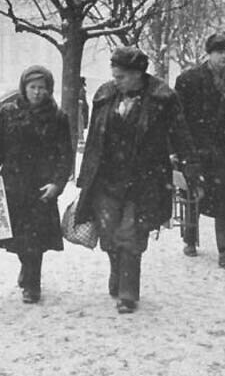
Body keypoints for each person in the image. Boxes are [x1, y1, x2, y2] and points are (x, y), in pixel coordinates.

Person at [74, 46, 195, 314]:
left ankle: (128, 291)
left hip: (143, 179)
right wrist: (85, 177)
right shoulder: (105, 95)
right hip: (106, 179)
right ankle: (117, 270)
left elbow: (181, 135)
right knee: (108, 233)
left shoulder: (163, 98)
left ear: (138, 74)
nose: (116, 81)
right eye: (114, 76)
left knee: (131, 233)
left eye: (121, 77)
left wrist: (190, 168)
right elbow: (94, 138)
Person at [0, 66, 73, 304]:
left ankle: (32, 284)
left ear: (49, 90)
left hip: (41, 188)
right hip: (13, 185)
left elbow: (65, 155)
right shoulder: (9, 113)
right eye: (33, 87)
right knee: (19, 239)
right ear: (24, 88)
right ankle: (26, 268)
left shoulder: (58, 117)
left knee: (35, 240)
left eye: (43, 88)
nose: (38, 93)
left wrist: (57, 184)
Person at [174, 31, 225, 267]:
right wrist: (180, 149)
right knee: (195, 195)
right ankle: (190, 238)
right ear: (209, 53)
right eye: (220, 52)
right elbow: (178, 118)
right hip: (197, 150)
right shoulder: (189, 80)